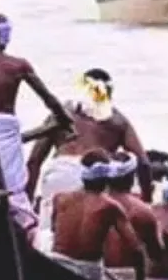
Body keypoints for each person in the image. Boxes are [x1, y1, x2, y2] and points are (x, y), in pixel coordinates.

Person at [27, 67, 151, 242]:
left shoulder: (62, 113)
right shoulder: (118, 120)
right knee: (91, 237)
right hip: (96, 177)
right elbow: (143, 163)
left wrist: (28, 202)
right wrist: (146, 201)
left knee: (47, 234)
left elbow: (34, 161)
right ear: (109, 92)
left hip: (59, 173)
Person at [0, 15, 73, 234]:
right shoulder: (17, 65)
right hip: (5, 128)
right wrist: (65, 120)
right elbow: (48, 99)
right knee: (12, 187)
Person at [49, 152, 147, 280]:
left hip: (56, 264)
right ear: (107, 177)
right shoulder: (109, 206)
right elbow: (136, 249)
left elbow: (54, 229)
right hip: (87, 271)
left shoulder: (60, 198)